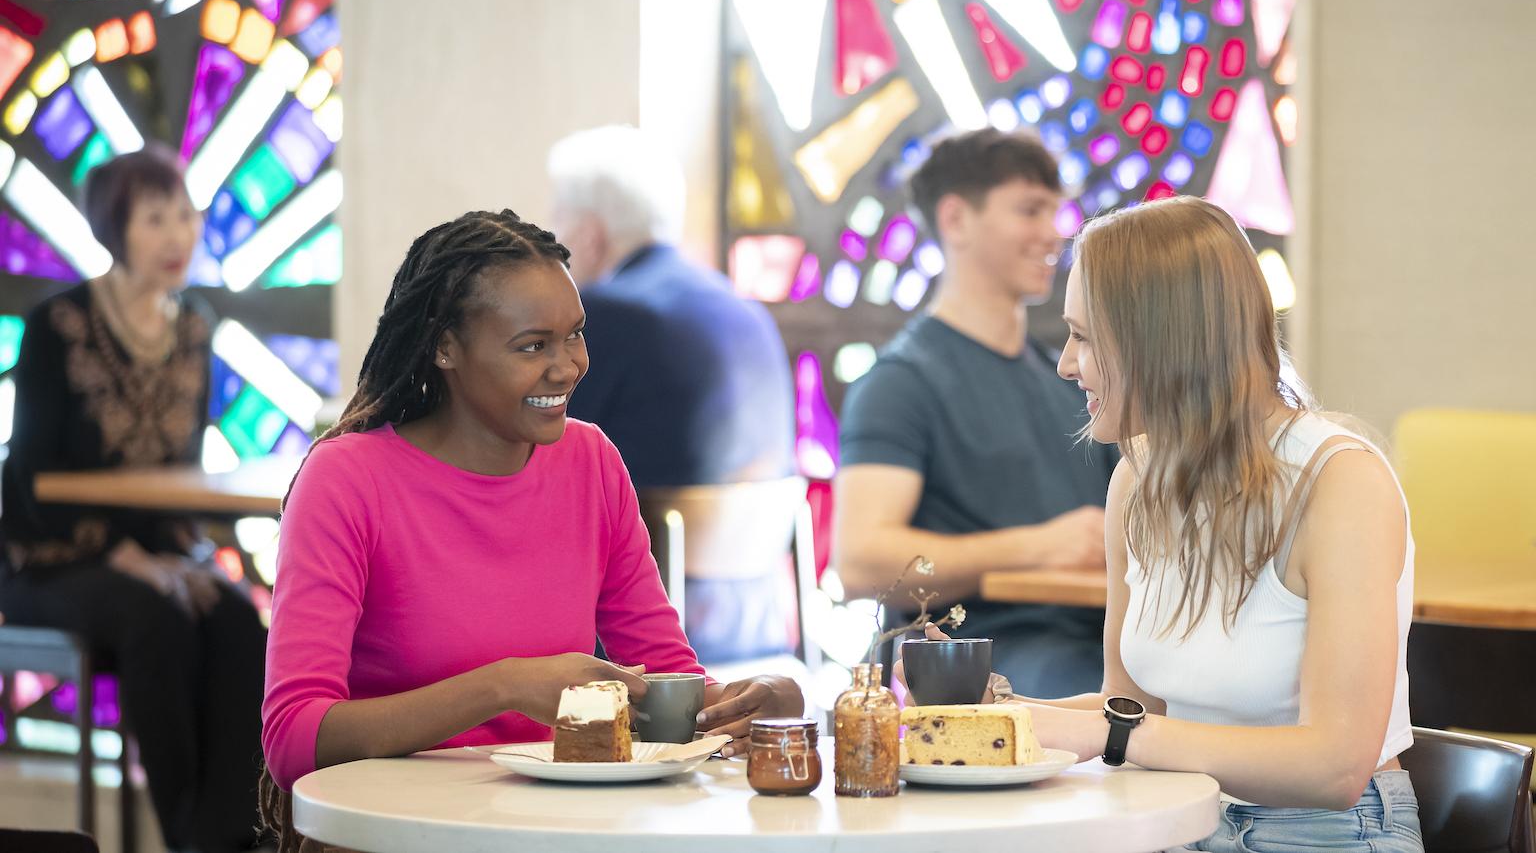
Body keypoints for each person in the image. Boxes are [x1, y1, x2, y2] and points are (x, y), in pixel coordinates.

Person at [259, 210, 803, 836]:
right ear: (444, 347)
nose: (570, 366)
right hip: (400, 833)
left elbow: (661, 686)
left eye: (575, 334)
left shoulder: (591, 461)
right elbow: (294, 739)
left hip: (559, 829)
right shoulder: (346, 479)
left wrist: (750, 703)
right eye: (533, 346)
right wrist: (504, 687)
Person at [908, 196, 1421, 850]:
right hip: (1177, 816)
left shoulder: (1342, 482)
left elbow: (1335, 767)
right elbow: (1132, 710)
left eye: (1087, 337)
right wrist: (993, 715)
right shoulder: (1136, 479)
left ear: (1165, 340)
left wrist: (1113, 736)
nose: (1067, 363)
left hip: (1327, 830)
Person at [0, 146, 268, 853]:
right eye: (156, 219)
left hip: (157, 554)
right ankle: (184, 836)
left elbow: (180, 477)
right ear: (115, 230)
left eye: (185, 215)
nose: (179, 235)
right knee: (161, 620)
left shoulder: (194, 328)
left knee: (239, 618)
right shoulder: (56, 325)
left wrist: (181, 557)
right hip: (49, 561)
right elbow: (29, 481)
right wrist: (129, 560)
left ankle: (232, 835)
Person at [833, 128, 1117, 697]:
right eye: (1030, 210)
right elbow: (862, 561)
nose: (1054, 233)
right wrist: (1040, 546)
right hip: (981, 653)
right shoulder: (902, 383)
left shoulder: (1065, 377)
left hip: (1095, 633)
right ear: (957, 219)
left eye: (1057, 212)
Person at [548, 125, 797, 665]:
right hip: (754, 621)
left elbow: (539, 462)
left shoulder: (605, 315)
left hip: (648, 640)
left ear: (589, 234)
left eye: (556, 225)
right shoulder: (747, 311)